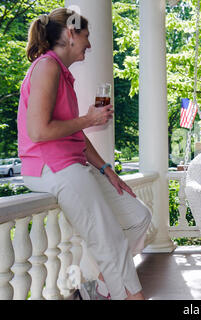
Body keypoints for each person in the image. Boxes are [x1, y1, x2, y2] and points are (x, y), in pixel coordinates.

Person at [17, 8, 151, 300]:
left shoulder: (62, 74)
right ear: (70, 34)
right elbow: (39, 132)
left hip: (73, 164)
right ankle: (129, 295)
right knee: (111, 241)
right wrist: (89, 119)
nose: (89, 45)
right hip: (50, 168)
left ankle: (100, 279)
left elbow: (72, 132)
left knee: (139, 216)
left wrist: (107, 169)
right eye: (86, 36)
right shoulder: (46, 67)